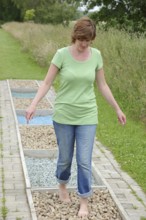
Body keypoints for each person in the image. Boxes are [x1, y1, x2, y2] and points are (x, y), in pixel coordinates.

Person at [26, 17, 126, 218]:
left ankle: (83, 200)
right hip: (63, 115)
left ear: (92, 39)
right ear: (75, 36)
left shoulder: (96, 55)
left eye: (88, 40)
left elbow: (102, 85)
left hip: (87, 115)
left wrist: (117, 108)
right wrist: (33, 104)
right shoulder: (61, 55)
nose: (84, 44)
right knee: (64, 159)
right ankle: (62, 185)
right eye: (81, 39)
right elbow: (46, 83)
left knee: (84, 160)